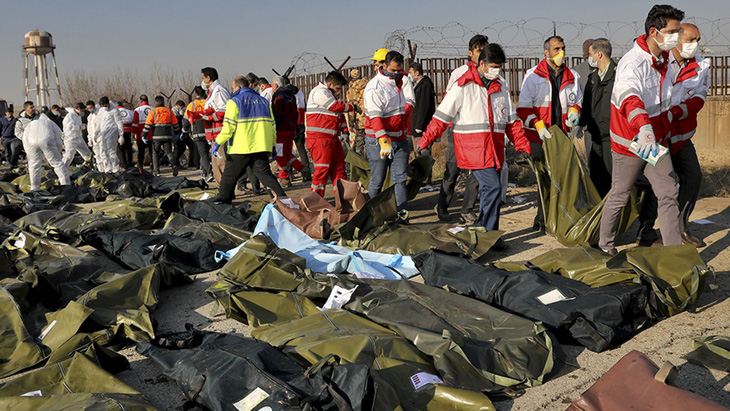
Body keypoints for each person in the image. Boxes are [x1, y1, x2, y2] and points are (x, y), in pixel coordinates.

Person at [598, 4, 685, 255]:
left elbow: (663, 101)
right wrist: (644, 128)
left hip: (654, 143)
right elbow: (630, 99)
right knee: (620, 194)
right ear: (654, 31)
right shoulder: (632, 63)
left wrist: (659, 132)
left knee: (668, 194)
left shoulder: (665, 61)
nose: (676, 38)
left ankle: (674, 255)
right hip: (630, 142)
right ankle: (605, 246)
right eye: (672, 32)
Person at [418, 44, 532, 235]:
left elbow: (512, 121)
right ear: (481, 63)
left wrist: (522, 145)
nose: (497, 70)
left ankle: (486, 232)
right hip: (473, 149)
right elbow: (441, 117)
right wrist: (425, 141)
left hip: (494, 150)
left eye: (499, 66)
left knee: (491, 191)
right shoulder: (462, 86)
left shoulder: (500, 87)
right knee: (493, 187)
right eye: (493, 66)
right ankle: (487, 232)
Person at [517, 35, 583, 232]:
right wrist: (536, 124)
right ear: (546, 53)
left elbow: (578, 101)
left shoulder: (573, 76)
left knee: (563, 178)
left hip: (562, 135)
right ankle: (542, 218)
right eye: (556, 49)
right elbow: (523, 109)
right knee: (544, 179)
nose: (561, 53)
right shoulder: (533, 77)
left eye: (562, 48)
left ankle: (561, 217)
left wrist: (574, 112)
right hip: (540, 137)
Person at [665, 23, 709, 246]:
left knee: (693, 177)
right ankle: (645, 231)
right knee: (659, 184)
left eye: (697, 40)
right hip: (659, 135)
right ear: (678, 39)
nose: (695, 45)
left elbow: (699, 97)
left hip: (682, 136)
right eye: (691, 39)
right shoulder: (661, 62)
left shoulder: (700, 66)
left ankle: (681, 228)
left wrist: (679, 111)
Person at [436, 34, 488, 222]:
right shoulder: (458, 73)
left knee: (475, 174)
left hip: (480, 135)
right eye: (479, 50)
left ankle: (467, 210)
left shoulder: (490, 74)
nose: (482, 54)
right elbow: (448, 103)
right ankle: (442, 206)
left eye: (485, 50)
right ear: (470, 53)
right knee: (452, 171)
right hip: (458, 133)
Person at [212, 76, 287, 203]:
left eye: (233, 87)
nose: (232, 90)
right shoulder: (263, 101)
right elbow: (272, 126)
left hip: (241, 147)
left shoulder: (234, 101)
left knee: (228, 177)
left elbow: (228, 127)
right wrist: (273, 145)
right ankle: (284, 201)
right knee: (266, 175)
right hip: (261, 147)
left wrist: (217, 143)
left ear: (239, 87)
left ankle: (222, 203)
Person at [364, 50, 415, 212]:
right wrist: (383, 140)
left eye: (399, 70)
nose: (397, 74)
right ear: (384, 66)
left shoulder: (400, 82)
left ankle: (402, 215)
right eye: (393, 71)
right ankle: (371, 214)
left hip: (399, 139)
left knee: (400, 180)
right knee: (377, 181)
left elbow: (405, 108)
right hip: (378, 141)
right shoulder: (375, 87)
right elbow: (375, 118)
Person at [305, 71, 358, 196]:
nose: (339, 92)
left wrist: (345, 130)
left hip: (332, 139)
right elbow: (335, 107)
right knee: (322, 171)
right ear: (329, 84)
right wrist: (353, 107)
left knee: (340, 169)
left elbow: (339, 116)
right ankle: (315, 202)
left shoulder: (330, 94)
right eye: (338, 88)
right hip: (320, 140)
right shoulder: (320, 92)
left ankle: (343, 200)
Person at [578, 38, 616, 197]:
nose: (589, 58)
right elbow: (587, 104)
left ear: (599, 54)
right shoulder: (593, 77)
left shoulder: (617, 76)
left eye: (591, 54)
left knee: (611, 177)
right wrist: (580, 122)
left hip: (611, 136)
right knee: (597, 177)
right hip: (595, 135)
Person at [14, 101, 70, 190]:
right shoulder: (48, 122)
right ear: (25, 109)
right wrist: (57, 151)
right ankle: (66, 186)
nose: (33, 109)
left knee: (34, 165)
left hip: (31, 142)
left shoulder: (32, 123)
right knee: (57, 163)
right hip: (46, 140)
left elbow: (25, 139)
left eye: (33, 107)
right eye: (31, 107)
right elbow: (58, 136)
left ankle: (34, 188)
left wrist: (29, 152)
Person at [189, 67, 230, 183]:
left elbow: (224, 110)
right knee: (216, 163)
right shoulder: (212, 92)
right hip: (213, 134)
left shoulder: (219, 91)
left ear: (208, 78)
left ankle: (226, 190)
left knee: (221, 162)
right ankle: (221, 188)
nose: (202, 81)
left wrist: (209, 117)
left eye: (203, 78)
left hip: (220, 134)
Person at [272, 76, 309, 186]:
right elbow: (296, 113)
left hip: (281, 130)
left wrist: (274, 127)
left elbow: (277, 114)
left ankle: (284, 178)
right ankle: (301, 167)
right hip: (291, 129)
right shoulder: (291, 95)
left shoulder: (278, 95)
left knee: (280, 154)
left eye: (273, 84)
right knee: (287, 153)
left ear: (276, 85)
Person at [141, 95, 180, 176]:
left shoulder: (153, 112)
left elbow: (148, 125)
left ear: (155, 102)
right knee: (169, 152)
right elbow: (176, 124)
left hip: (156, 137)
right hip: (168, 136)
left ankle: (156, 171)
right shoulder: (169, 111)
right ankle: (174, 165)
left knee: (155, 153)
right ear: (163, 102)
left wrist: (143, 135)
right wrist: (176, 133)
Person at [185, 87, 212, 181]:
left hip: (198, 132)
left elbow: (186, 119)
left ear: (195, 94)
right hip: (209, 130)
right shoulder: (208, 102)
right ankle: (204, 173)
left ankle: (209, 172)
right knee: (207, 153)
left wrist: (185, 130)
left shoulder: (192, 104)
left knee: (203, 154)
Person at [91, 96, 123, 173]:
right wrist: (95, 133)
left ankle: (115, 169)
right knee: (104, 152)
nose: (104, 107)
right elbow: (99, 123)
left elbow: (119, 122)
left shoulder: (114, 110)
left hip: (112, 133)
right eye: (102, 106)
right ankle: (108, 169)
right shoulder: (101, 111)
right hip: (103, 133)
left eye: (105, 105)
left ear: (108, 103)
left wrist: (121, 135)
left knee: (111, 151)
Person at [61, 102, 92, 167]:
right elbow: (70, 127)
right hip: (71, 139)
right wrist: (79, 127)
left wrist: (81, 125)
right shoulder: (70, 116)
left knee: (87, 154)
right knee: (69, 156)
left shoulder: (78, 116)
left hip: (78, 137)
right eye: (82, 110)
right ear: (78, 109)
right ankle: (62, 169)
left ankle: (91, 166)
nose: (83, 112)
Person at [132, 95, 154, 172]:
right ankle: (153, 167)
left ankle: (140, 167)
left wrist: (134, 132)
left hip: (141, 135)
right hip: (152, 134)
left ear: (140, 101)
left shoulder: (137, 110)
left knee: (141, 152)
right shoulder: (153, 109)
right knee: (152, 152)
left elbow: (135, 123)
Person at [293, 82, 311, 178]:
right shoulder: (300, 92)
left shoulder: (287, 94)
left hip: (291, 124)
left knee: (286, 150)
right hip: (300, 123)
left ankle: (288, 175)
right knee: (301, 147)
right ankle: (306, 171)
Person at [173, 100, 196, 168]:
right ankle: (175, 163)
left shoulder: (181, 112)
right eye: (181, 107)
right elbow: (176, 123)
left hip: (183, 132)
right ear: (177, 106)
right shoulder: (173, 112)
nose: (182, 109)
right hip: (176, 133)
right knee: (178, 147)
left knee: (189, 146)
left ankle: (191, 162)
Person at [116, 101, 134, 169]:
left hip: (118, 132)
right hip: (128, 132)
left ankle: (123, 164)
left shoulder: (115, 112)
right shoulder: (129, 112)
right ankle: (129, 163)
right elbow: (133, 121)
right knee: (128, 148)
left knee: (120, 149)